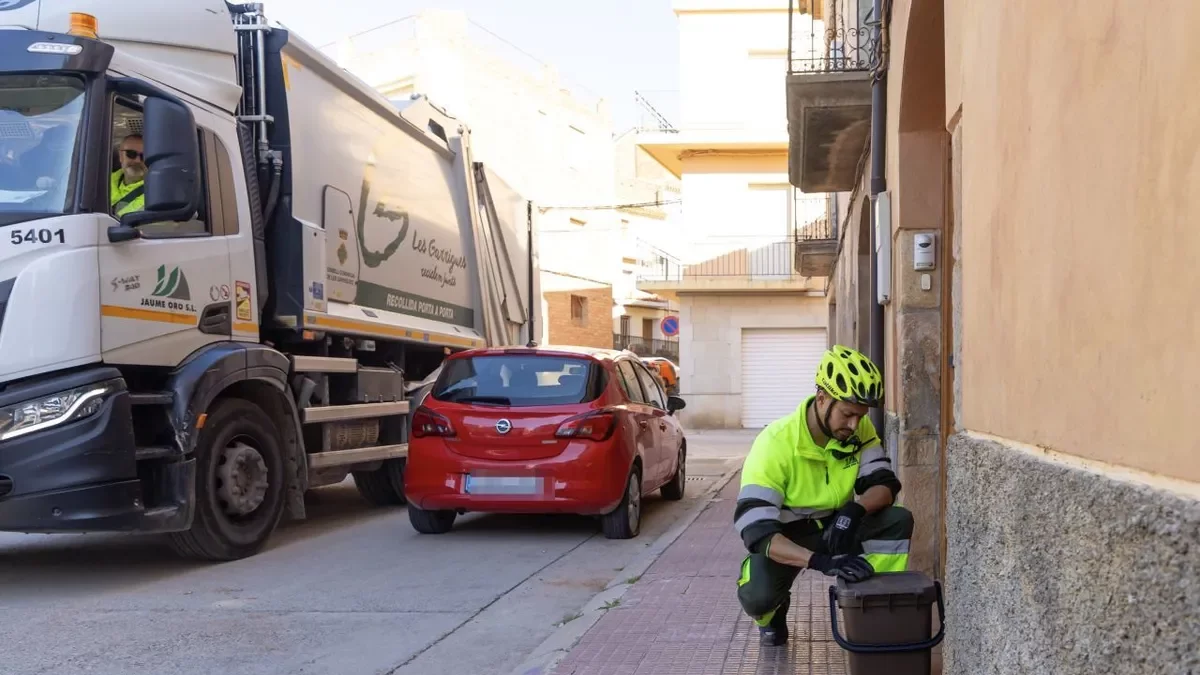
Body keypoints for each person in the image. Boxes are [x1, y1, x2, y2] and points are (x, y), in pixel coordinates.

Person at [734, 345, 913, 647]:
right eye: (847, 414)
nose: (855, 424)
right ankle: (772, 616)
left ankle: (873, 604)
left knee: (897, 519)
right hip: (788, 537)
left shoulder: (859, 430)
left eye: (860, 416)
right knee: (758, 597)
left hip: (838, 525)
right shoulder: (775, 444)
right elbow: (756, 530)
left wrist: (854, 512)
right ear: (822, 399)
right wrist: (818, 561)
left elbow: (884, 485)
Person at [110, 133, 145, 216]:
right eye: (131, 154)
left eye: (144, 156)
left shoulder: (159, 192)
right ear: (121, 156)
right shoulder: (101, 181)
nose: (137, 161)